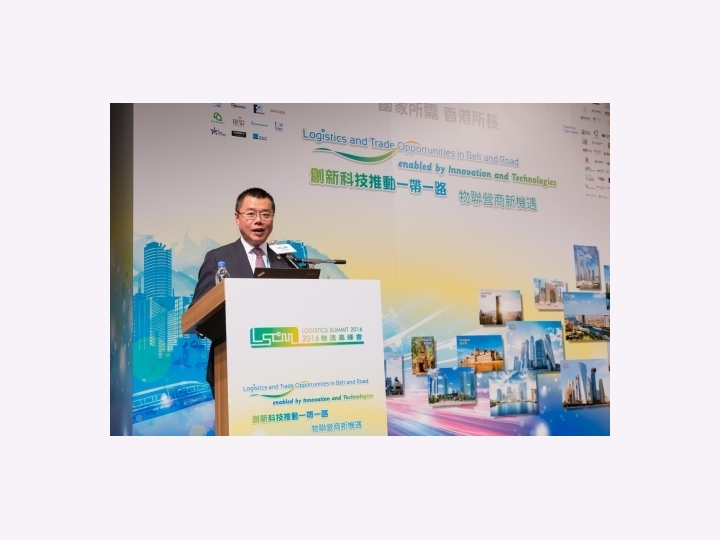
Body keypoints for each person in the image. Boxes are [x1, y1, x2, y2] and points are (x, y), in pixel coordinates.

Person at [190, 187, 293, 395]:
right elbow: (198, 312)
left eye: (266, 214)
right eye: (251, 214)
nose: (259, 221)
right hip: (231, 366)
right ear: (237, 218)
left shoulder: (286, 261)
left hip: (281, 368)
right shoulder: (217, 258)